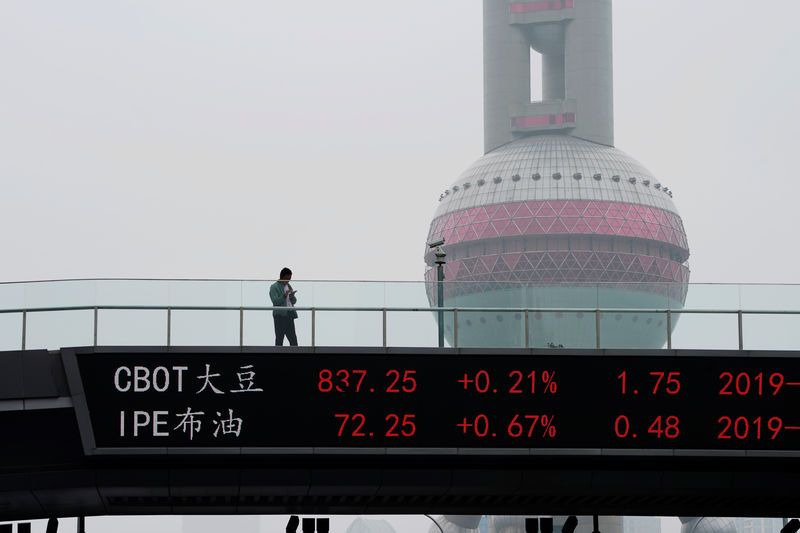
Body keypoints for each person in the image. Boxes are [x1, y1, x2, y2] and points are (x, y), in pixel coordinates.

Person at [269, 267, 298, 346]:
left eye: (289, 278)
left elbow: (294, 301)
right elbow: (275, 302)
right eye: (287, 278)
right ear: (282, 277)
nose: (288, 280)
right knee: (279, 339)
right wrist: (284, 296)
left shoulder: (289, 286)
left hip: (290, 314)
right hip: (280, 316)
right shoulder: (274, 287)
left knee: (293, 340)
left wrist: (292, 297)